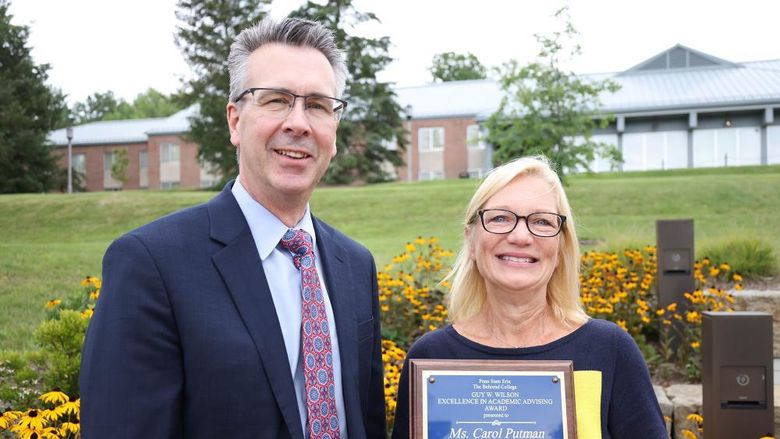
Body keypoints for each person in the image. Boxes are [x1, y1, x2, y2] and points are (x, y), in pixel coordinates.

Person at [80, 17, 385, 438]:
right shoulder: (152, 264)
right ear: (235, 121)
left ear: (334, 127)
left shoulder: (354, 264)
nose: (298, 123)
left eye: (317, 105)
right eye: (276, 100)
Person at [391, 156, 667, 439]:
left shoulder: (610, 351)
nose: (521, 236)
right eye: (500, 218)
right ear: (471, 240)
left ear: (561, 247)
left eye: (542, 221)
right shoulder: (431, 358)